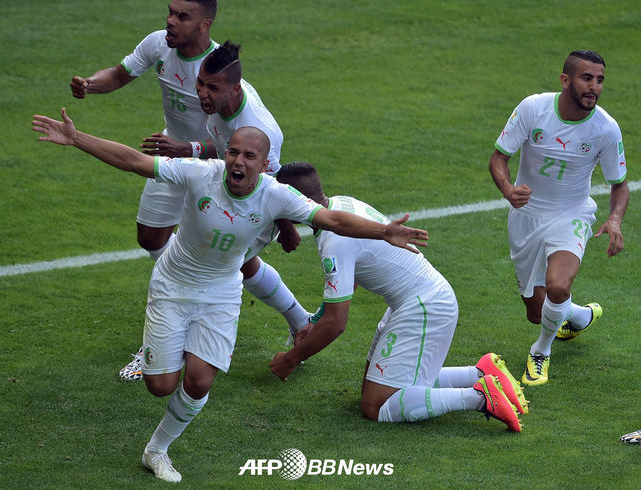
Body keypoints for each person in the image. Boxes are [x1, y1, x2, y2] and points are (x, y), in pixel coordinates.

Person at [32, 111, 431, 482]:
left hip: (220, 293)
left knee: (199, 381)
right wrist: (77, 138)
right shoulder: (199, 174)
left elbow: (330, 218)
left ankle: (156, 451)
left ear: (265, 163)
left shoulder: (276, 195)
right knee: (160, 385)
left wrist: (383, 231)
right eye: (233, 152)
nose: (238, 161)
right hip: (172, 286)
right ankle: (176, 348)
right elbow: (135, 161)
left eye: (249, 156)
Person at [71, 4, 311, 380]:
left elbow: (269, 184)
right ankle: (301, 321)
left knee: (209, 262)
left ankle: (169, 340)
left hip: (237, 191)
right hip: (193, 166)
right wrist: (188, 150)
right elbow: (218, 144)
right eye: (199, 84)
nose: (200, 92)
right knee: (159, 239)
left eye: (182, 15)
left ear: (204, 23)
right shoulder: (214, 95)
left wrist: (288, 228)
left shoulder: (256, 128)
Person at [270, 162, 528, 432]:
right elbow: (349, 280)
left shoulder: (334, 240)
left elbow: (336, 324)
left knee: (376, 406)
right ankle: (479, 373)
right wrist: (316, 321)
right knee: (375, 390)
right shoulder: (342, 204)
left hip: (425, 306)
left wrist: (291, 359)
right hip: (414, 300)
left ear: (295, 200)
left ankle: (479, 397)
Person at [488, 50, 629, 386]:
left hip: (572, 214)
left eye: (600, 80)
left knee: (558, 285)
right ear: (565, 80)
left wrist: (615, 218)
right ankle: (579, 315)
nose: (594, 87)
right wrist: (508, 189)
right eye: (586, 78)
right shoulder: (533, 109)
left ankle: (541, 351)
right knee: (537, 312)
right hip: (526, 216)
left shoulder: (606, 129)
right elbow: (498, 158)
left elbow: (619, 184)